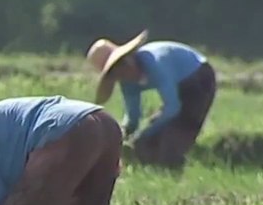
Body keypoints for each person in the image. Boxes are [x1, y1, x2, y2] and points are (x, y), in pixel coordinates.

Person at [85, 31, 216, 169]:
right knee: (152, 140)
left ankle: (181, 161)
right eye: (114, 71)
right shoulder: (127, 84)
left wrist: (144, 134)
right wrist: (123, 136)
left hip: (199, 76)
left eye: (122, 63)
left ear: (129, 57)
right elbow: (132, 118)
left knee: (175, 135)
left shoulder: (156, 63)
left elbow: (172, 107)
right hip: (177, 86)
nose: (123, 70)